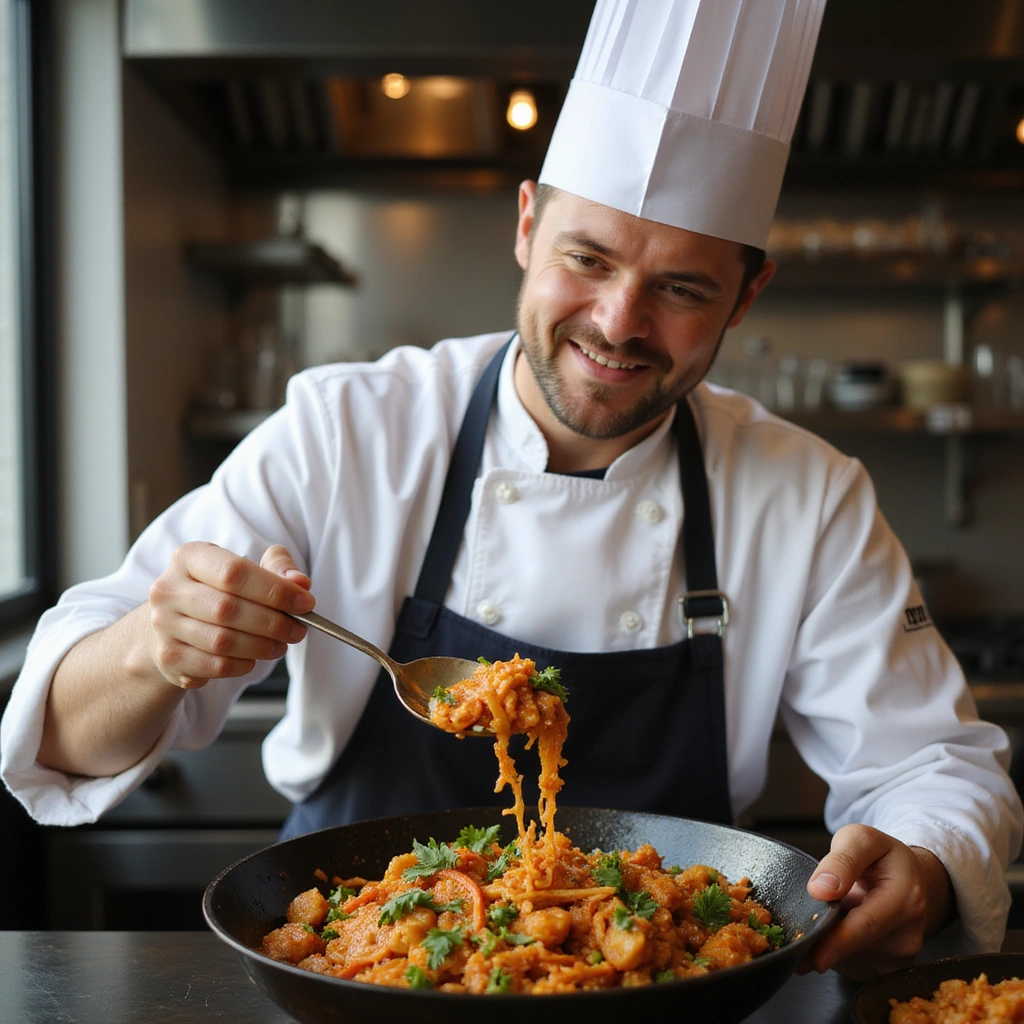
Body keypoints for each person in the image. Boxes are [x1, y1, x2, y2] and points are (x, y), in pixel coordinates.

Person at [3, 0, 1021, 983]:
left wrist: (921, 862)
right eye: (588, 258)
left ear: (745, 295)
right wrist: (154, 647)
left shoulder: (808, 495)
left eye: (681, 288)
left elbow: (936, 767)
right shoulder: (347, 431)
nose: (619, 322)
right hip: (357, 980)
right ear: (528, 225)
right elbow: (54, 727)